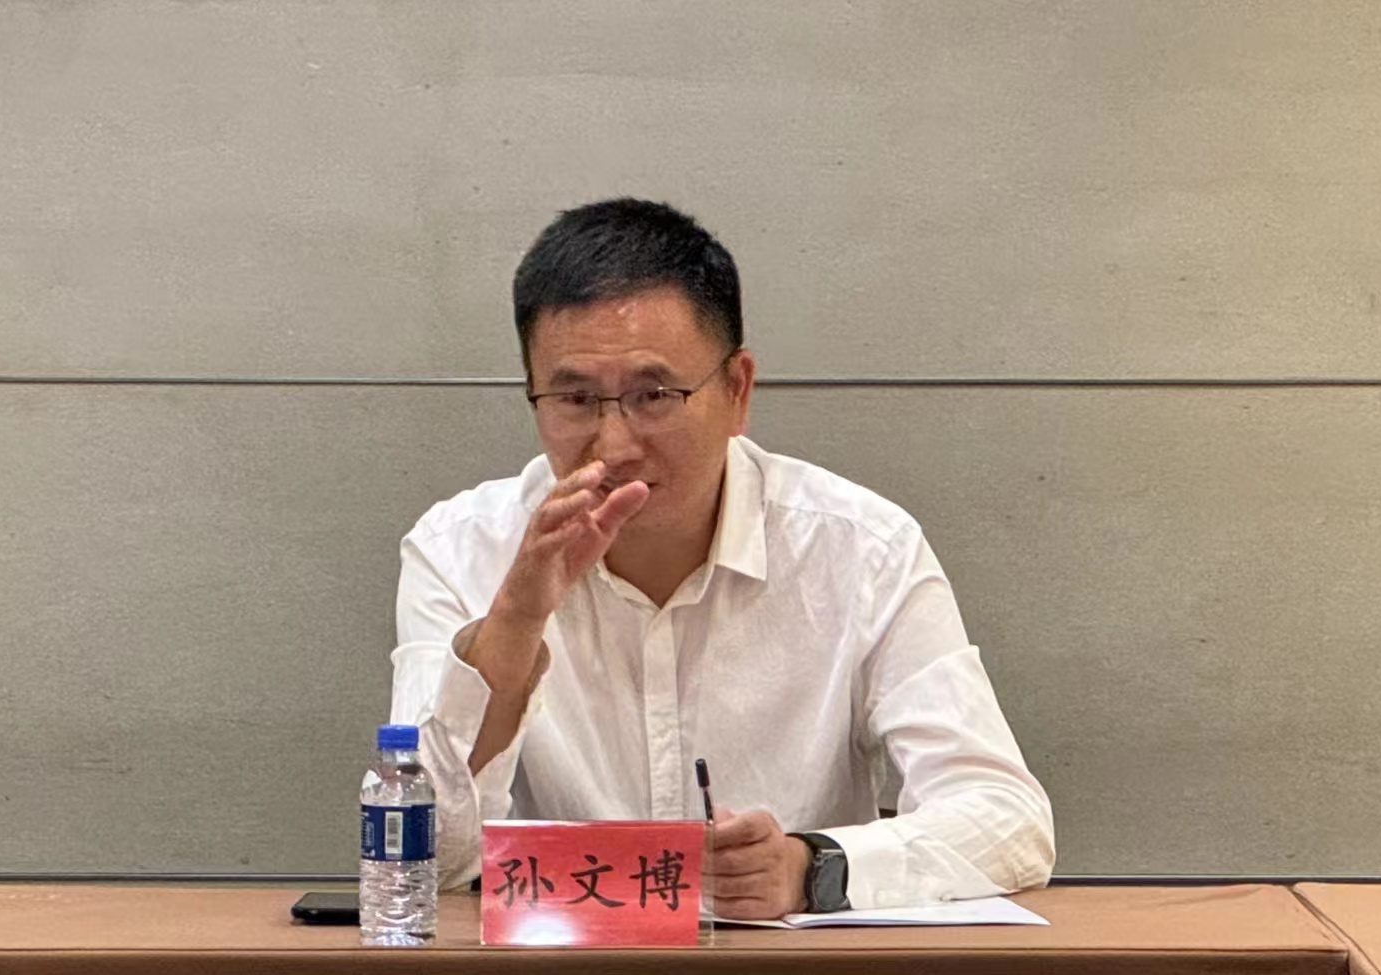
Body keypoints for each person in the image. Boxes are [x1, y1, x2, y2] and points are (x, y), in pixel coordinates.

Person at [390, 198, 1054, 919]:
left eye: (653, 395)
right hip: (561, 966)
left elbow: (1007, 819)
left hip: (788, 965)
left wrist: (810, 866)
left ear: (737, 390)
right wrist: (515, 622)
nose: (614, 445)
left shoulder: (863, 548)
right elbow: (425, 860)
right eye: (575, 398)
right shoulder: (460, 549)